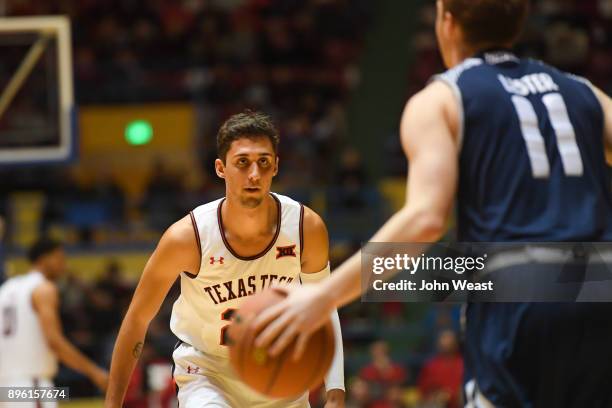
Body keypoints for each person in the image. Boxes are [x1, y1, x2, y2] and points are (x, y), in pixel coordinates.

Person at [254, 0, 612, 406]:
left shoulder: (442, 99)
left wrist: (323, 297)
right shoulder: (584, 92)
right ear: (519, 22)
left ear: (447, 21)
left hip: (518, 292)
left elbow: (426, 220)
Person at [105, 111, 345, 407]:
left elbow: (324, 308)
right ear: (221, 168)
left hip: (281, 369)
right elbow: (137, 320)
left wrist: (335, 392)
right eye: (242, 162)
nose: (254, 174)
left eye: (264, 162)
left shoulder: (306, 228)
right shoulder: (187, 238)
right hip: (208, 371)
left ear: (276, 167)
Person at [0, 238, 109, 407]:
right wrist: (95, 373)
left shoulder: (6, 289)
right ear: (44, 259)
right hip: (32, 386)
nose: (63, 265)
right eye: (60, 259)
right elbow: (54, 341)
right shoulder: (44, 288)